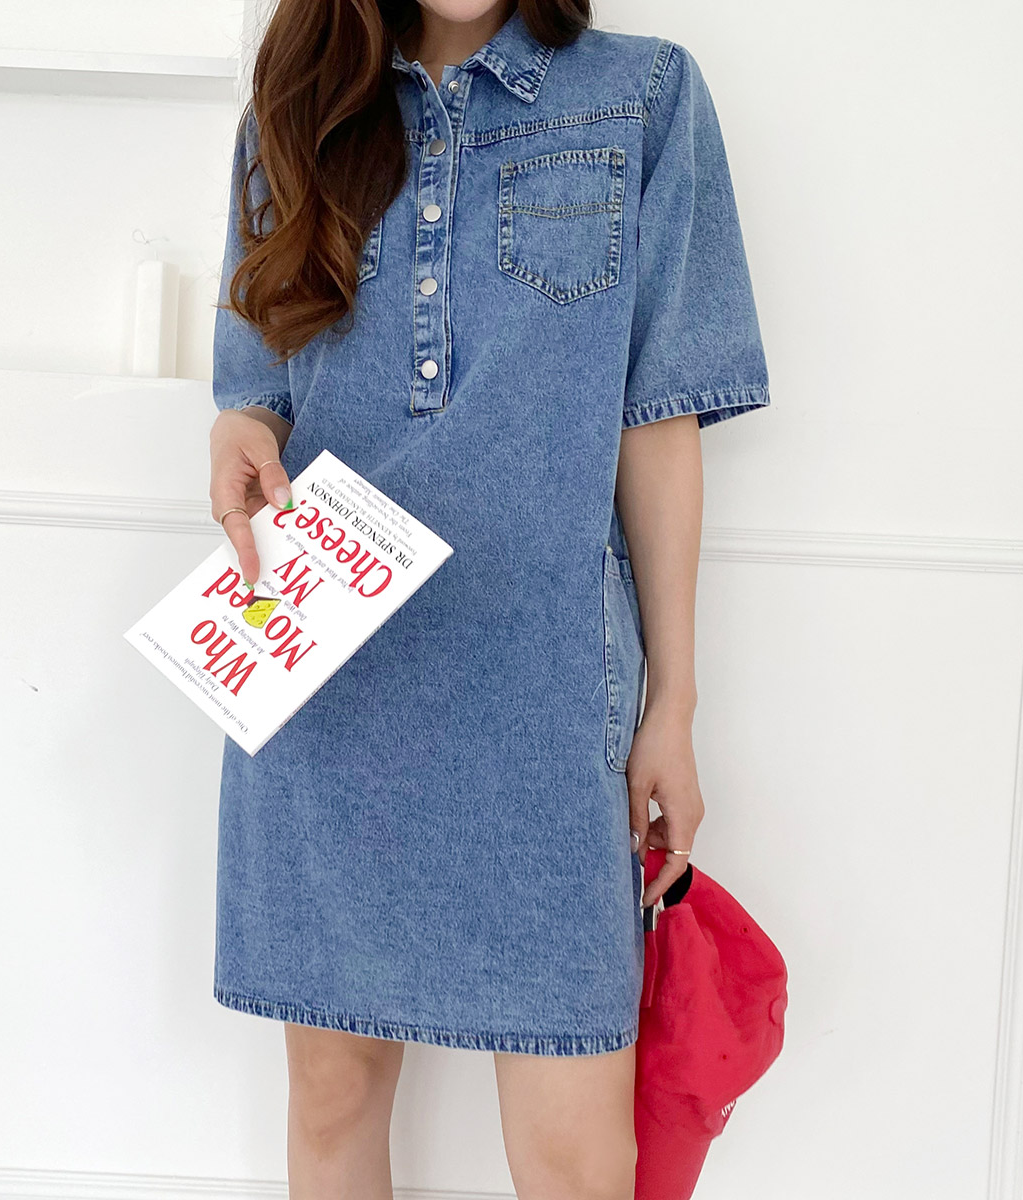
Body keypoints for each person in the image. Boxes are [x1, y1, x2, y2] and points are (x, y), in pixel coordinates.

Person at [207, 1, 771, 1196]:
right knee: (330, 1098)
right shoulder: (294, 110)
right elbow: (260, 384)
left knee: (575, 1154)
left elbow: (659, 419)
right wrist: (239, 429)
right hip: (330, 675)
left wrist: (674, 702)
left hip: (545, 685)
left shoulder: (643, 98)